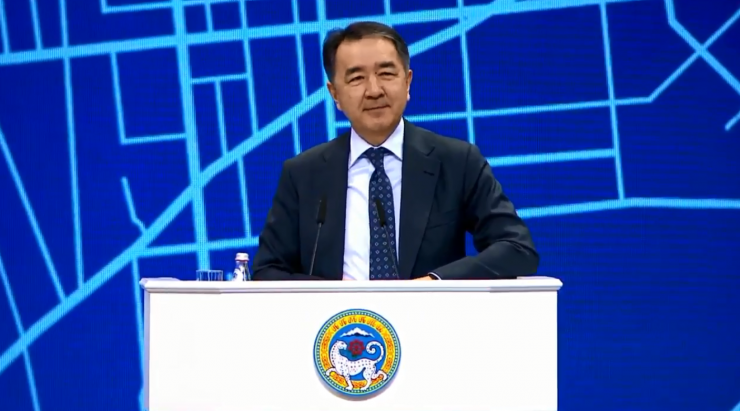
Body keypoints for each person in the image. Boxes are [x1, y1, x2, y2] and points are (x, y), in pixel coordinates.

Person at [252, 21, 538, 281]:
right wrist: (336, 298)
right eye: (356, 78)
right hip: (339, 322)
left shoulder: (457, 162)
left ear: (407, 81)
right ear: (335, 94)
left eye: (386, 73)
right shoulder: (304, 174)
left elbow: (517, 249)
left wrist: (434, 283)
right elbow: (267, 270)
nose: (374, 90)